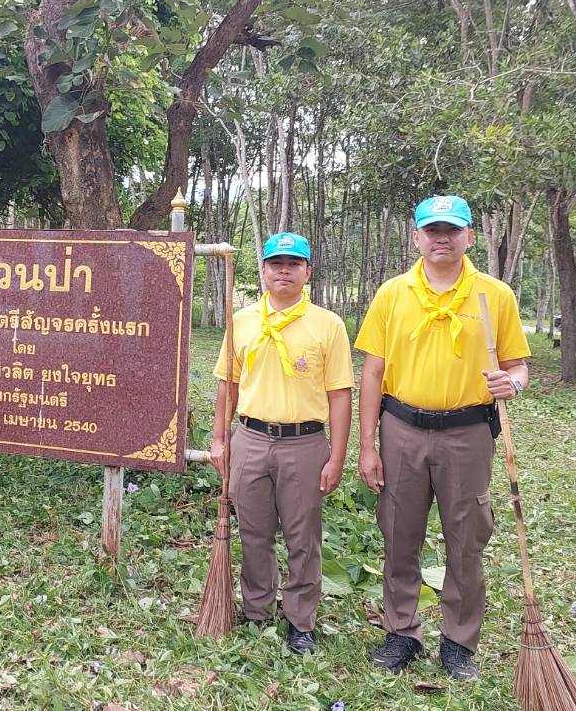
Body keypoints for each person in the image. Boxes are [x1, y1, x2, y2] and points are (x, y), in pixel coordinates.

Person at [355, 194, 530, 680]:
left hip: (467, 432)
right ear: (416, 237)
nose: (442, 238)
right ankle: (401, 632)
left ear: (469, 236)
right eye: (432, 230)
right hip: (401, 429)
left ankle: (458, 642)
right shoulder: (393, 294)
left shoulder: (494, 295)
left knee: (466, 537)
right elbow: (373, 373)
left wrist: (512, 384)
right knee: (398, 533)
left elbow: (518, 366)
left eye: (452, 230)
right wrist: (367, 445)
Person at [210, 232, 354, 655]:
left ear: (308, 271)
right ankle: (257, 609)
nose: (284, 271)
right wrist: (219, 439)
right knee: (254, 531)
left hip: (303, 444)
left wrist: (337, 456)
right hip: (250, 439)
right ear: (264, 270)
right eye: (276, 264)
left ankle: (300, 620)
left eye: (293, 264)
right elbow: (227, 385)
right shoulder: (242, 320)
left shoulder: (328, 325)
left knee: (302, 536)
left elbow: (340, 394)